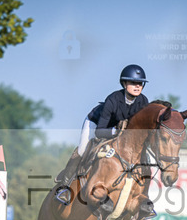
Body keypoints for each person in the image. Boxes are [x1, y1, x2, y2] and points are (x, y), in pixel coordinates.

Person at [55, 64, 150, 205]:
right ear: (124, 84)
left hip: (121, 133)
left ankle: (143, 196)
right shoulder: (113, 99)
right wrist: (118, 131)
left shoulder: (143, 101)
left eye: (140, 83)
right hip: (96, 124)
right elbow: (99, 131)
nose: (137, 86)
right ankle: (64, 187)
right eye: (133, 82)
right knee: (82, 150)